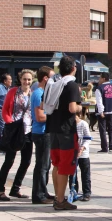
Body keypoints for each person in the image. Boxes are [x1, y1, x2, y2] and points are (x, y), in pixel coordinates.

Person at [44, 56, 82, 211]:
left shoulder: (53, 84)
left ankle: (56, 196)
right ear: (73, 68)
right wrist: (80, 108)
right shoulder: (71, 85)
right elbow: (73, 108)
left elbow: (43, 104)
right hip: (66, 130)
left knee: (56, 164)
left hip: (52, 127)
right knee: (65, 166)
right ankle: (60, 200)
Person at [0, 70, 34, 201]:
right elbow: (5, 109)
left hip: (28, 129)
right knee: (9, 160)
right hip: (14, 129)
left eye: (29, 79)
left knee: (26, 161)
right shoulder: (13, 92)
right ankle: (0, 190)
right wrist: (9, 122)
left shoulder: (32, 93)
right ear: (20, 79)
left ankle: (15, 188)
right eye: (24, 79)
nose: (26, 82)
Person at [31, 66, 55, 205]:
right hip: (41, 133)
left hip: (44, 132)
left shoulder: (42, 92)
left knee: (46, 164)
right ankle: (38, 194)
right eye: (52, 78)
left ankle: (43, 191)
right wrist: (53, 116)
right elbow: (40, 117)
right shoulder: (38, 94)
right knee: (42, 165)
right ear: (45, 78)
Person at [95, 72, 112, 154]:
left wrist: (101, 111)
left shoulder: (99, 88)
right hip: (111, 111)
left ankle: (104, 147)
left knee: (103, 130)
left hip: (103, 112)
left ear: (104, 78)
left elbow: (99, 101)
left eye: (100, 78)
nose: (99, 79)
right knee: (111, 130)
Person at [74, 110, 92, 202]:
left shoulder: (83, 124)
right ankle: (74, 191)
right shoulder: (70, 125)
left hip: (83, 154)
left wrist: (82, 148)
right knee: (73, 174)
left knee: (85, 173)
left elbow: (88, 138)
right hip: (73, 153)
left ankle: (87, 193)